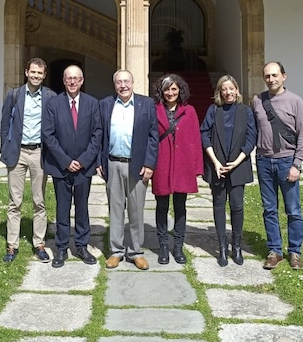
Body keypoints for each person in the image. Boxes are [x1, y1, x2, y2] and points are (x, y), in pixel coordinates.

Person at [42, 65, 102, 268]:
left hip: (84, 167)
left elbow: (97, 134)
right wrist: (66, 161)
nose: (73, 82)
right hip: (61, 166)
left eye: (76, 78)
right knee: (62, 208)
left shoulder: (93, 104)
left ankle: (82, 246)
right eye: (69, 78)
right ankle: (61, 247)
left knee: (83, 207)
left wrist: (84, 160)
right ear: (63, 80)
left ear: (82, 80)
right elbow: (48, 135)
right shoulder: (53, 104)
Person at [252, 61, 303, 271]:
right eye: (267, 76)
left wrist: (297, 164)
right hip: (264, 161)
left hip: (287, 161)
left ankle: (295, 252)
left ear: (284, 76)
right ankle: (275, 251)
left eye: (275, 75)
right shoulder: (258, 101)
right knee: (269, 209)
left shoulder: (295, 101)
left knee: (293, 210)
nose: (271, 79)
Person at [98, 70, 158, 270]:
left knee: (136, 210)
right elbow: (100, 135)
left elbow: (153, 136)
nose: (123, 85)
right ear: (114, 85)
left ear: (133, 82)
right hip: (113, 163)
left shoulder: (146, 104)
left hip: (138, 165)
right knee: (115, 209)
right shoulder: (105, 104)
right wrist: (100, 161)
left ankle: (135, 251)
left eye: (126, 81)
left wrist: (150, 164)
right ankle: (116, 251)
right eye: (119, 82)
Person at [0, 58, 56, 263]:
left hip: (39, 153)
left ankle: (39, 243)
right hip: (18, 152)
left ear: (44, 75)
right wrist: (5, 150)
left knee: (39, 201)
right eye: (33, 72)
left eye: (39, 73)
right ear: (26, 72)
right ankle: (12, 245)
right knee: (14, 202)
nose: (36, 76)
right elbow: (5, 123)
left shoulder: (50, 96)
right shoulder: (14, 95)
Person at [201, 75, 257, 267]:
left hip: (238, 165)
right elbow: (204, 135)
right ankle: (223, 247)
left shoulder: (245, 111)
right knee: (218, 205)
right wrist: (215, 162)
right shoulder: (213, 110)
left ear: (236, 89)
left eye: (231, 88)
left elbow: (251, 138)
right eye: (224, 89)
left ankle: (237, 246)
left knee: (237, 206)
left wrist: (237, 161)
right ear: (219, 92)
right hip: (217, 166)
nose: (228, 92)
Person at [152, 74, 204, 265]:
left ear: (180, 90)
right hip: (162, 165)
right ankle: (163, 247)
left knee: (180, 208)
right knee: (162, 207)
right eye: (167, 89)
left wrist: (197, 167)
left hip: (183, 166)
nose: (170, 93)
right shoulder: (155, 110)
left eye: (174, 89)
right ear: (161, 91)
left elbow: (196, 139)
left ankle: (178, 247)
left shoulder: (189, 111)